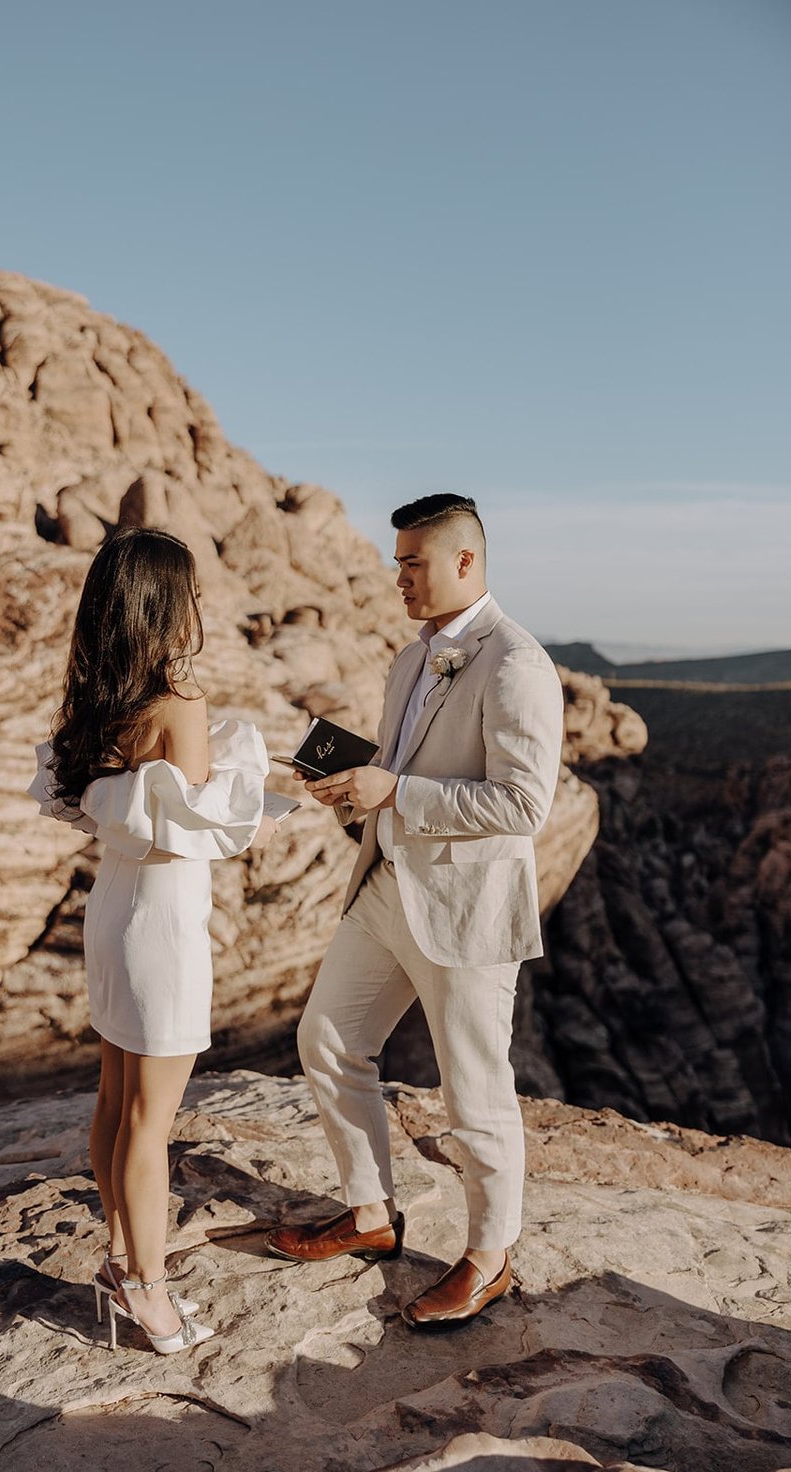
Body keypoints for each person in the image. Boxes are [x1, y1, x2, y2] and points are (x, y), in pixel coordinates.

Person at [265, 494, 564, 1329]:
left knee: (474, 1088)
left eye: (412, 562)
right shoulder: (410, 660)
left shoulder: (516, 664)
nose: (397, 577)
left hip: (465, 910)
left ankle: (489, 1255)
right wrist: (356, 793)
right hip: (387, 888)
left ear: (466, 562)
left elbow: (521, 805)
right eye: (396, 560)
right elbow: (399, 773)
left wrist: (396, 789)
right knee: (326, 1038)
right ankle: (370, 1214)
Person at [28, 527, 276, 1355]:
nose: (200, 608)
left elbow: (137, 812)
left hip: (112, 914)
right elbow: (193, 829)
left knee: (114, 1097)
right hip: (164, 926)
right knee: (151, 1121)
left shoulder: (102, 706)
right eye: (192, 594)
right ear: (165, 607)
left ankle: (117, 1258)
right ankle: (149, 1289)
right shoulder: (181, 704)